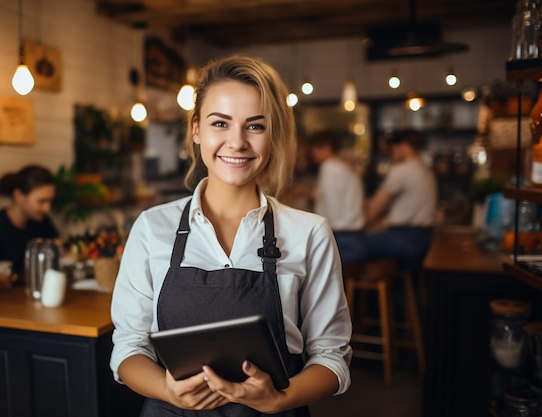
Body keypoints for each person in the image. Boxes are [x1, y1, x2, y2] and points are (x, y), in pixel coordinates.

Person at [110, 55, 352, 416]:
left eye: (255, 126)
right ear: (196, 129)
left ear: (274, 135)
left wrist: (279, 399)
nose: (236, 142)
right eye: (220, 123)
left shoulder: (309, 233)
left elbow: (332, 358)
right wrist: (167, 390)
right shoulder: (151, 227)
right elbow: (129, 348)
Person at [365, 128, 437, 274]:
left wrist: (362, 221)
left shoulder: (403, 170)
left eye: (393, 148)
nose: (392, 152)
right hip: (424, 240)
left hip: (403, 240)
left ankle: (356, 293)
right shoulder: (426, 170)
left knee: (348, 245)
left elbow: (374, 209)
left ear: (403, 145)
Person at [0, 164, 59, 284]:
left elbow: (59, 250)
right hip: (4, 300)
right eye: (41, 201)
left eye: (50, 201)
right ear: (18, 195)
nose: (47, 208)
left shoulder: (43, 222)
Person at [308, 129, 366, 264]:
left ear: (327, 148)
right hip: (354, 238)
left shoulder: (330, 168)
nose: (313, 152)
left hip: (342, 240)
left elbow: (331, 212)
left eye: (315, 148)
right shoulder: (343, 166)